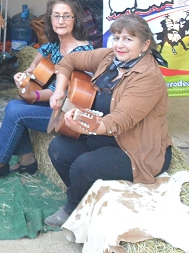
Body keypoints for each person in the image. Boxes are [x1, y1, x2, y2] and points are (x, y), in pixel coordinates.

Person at [44, 14, 172, 228]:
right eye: (116, 37)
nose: (120, 45)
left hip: (134, 148)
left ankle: (74, 206)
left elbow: (120, 120)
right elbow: (69, 61)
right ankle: (86, 199)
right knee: (58, 149)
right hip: (102, 137)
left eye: (128, 39)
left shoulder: (148, 77)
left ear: (145, 44)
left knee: (83, 167)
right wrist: (58, 91)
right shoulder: (109, 58)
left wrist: (88, 125)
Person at [0, 0, 93, 180]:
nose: (61, 21)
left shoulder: (83, 52)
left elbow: (58, 92)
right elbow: (34, 65)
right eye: (56, 15)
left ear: (76, 20)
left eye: (67, 16)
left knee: (16, 111)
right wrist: (25, 76)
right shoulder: (53, 46)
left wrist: (32, 95)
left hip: (66, 113)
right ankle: (27, 160)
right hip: (51, 106)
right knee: (14, 104)